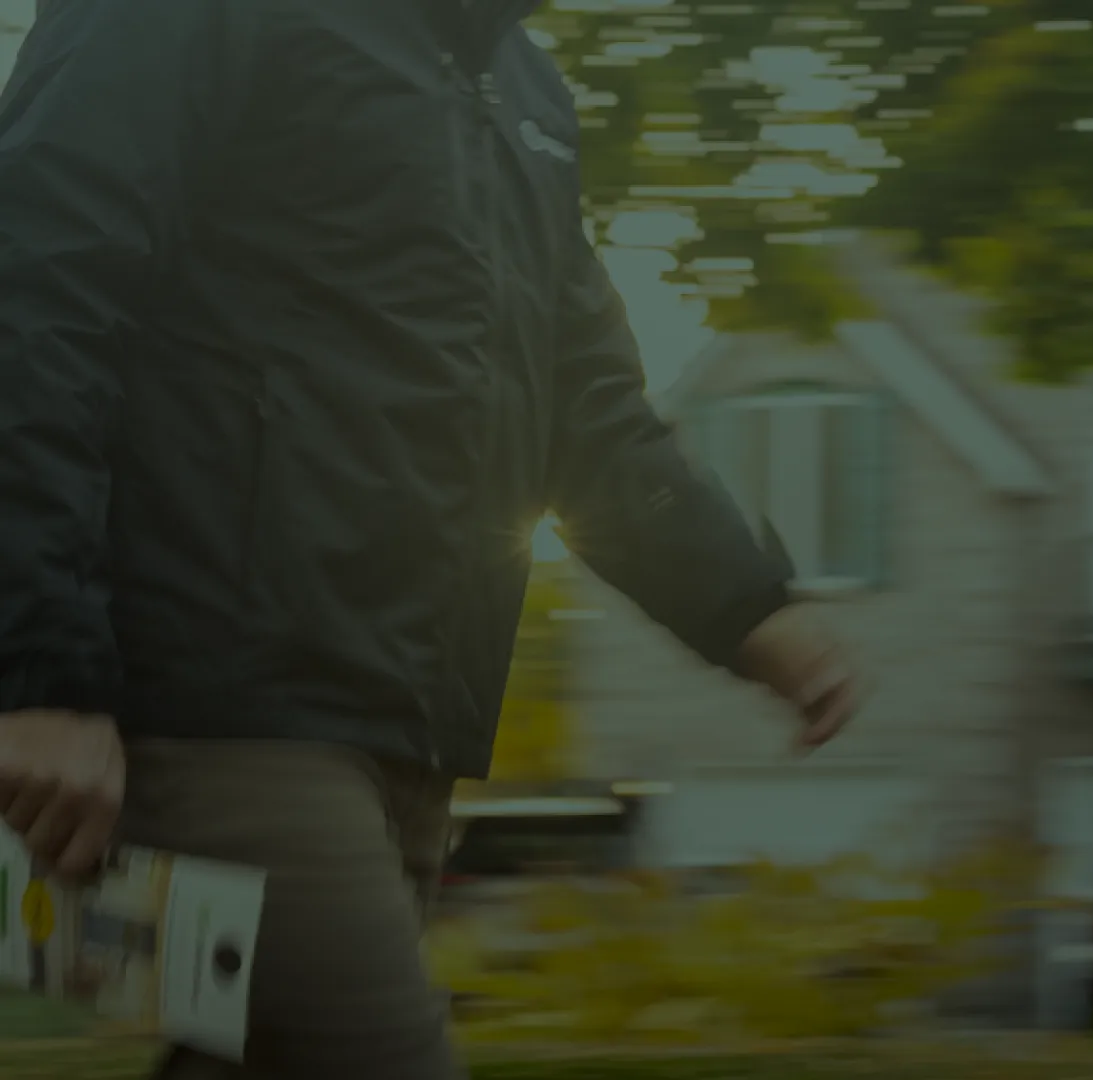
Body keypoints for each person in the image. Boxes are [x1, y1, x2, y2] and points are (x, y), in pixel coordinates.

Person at [0, 1, 862, 1076]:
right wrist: (40, 670)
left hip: (408, 733)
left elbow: (585, 407)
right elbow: (36, 289)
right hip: (220, 709)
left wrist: (749, 607)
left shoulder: (521, 88)